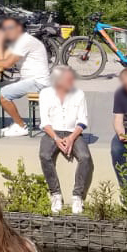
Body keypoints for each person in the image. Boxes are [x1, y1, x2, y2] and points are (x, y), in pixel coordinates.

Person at [37, 65, 92, 214]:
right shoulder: (45, 94)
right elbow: (44, 122)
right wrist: (56, 138)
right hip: (52, 131)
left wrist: (72, 138)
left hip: (73, 131)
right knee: (44, 155)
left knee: (85, 157)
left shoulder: (79, 94)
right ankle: (55, 194)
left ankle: (77, 196)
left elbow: (83, 120)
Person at [0, 15, 52, 138]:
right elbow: (0, 60)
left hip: (38, 82)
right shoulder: (17, 42)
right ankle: (17, 122)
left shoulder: (25, 41)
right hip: (29, 79)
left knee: (1, 94)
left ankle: (21, 126)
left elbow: (6, 64)